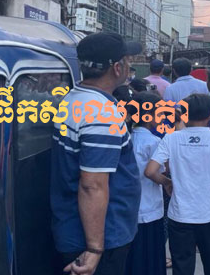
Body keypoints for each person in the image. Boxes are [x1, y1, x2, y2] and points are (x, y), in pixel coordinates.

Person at [51, 32, 142, 275]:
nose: (129, 66)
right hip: (100, 239)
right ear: (117, 68)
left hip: (76, 228)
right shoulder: (100, 114)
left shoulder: (75, 98)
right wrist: (94, 248)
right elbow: (92, 185)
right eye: (127, 60)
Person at [145, 94, 210, 275]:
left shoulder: (171, 138)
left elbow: (150, 171)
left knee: (182, 267)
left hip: (180, 216)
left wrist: (167, 182)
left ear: (184, 114)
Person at [125, 91, 168, 275]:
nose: (163, 117)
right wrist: (168, 183)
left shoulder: (127, 138)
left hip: (129, 208)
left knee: (133, 258)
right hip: (150, 207)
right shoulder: (154, 142)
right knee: (150, 257)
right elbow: (156, 172)